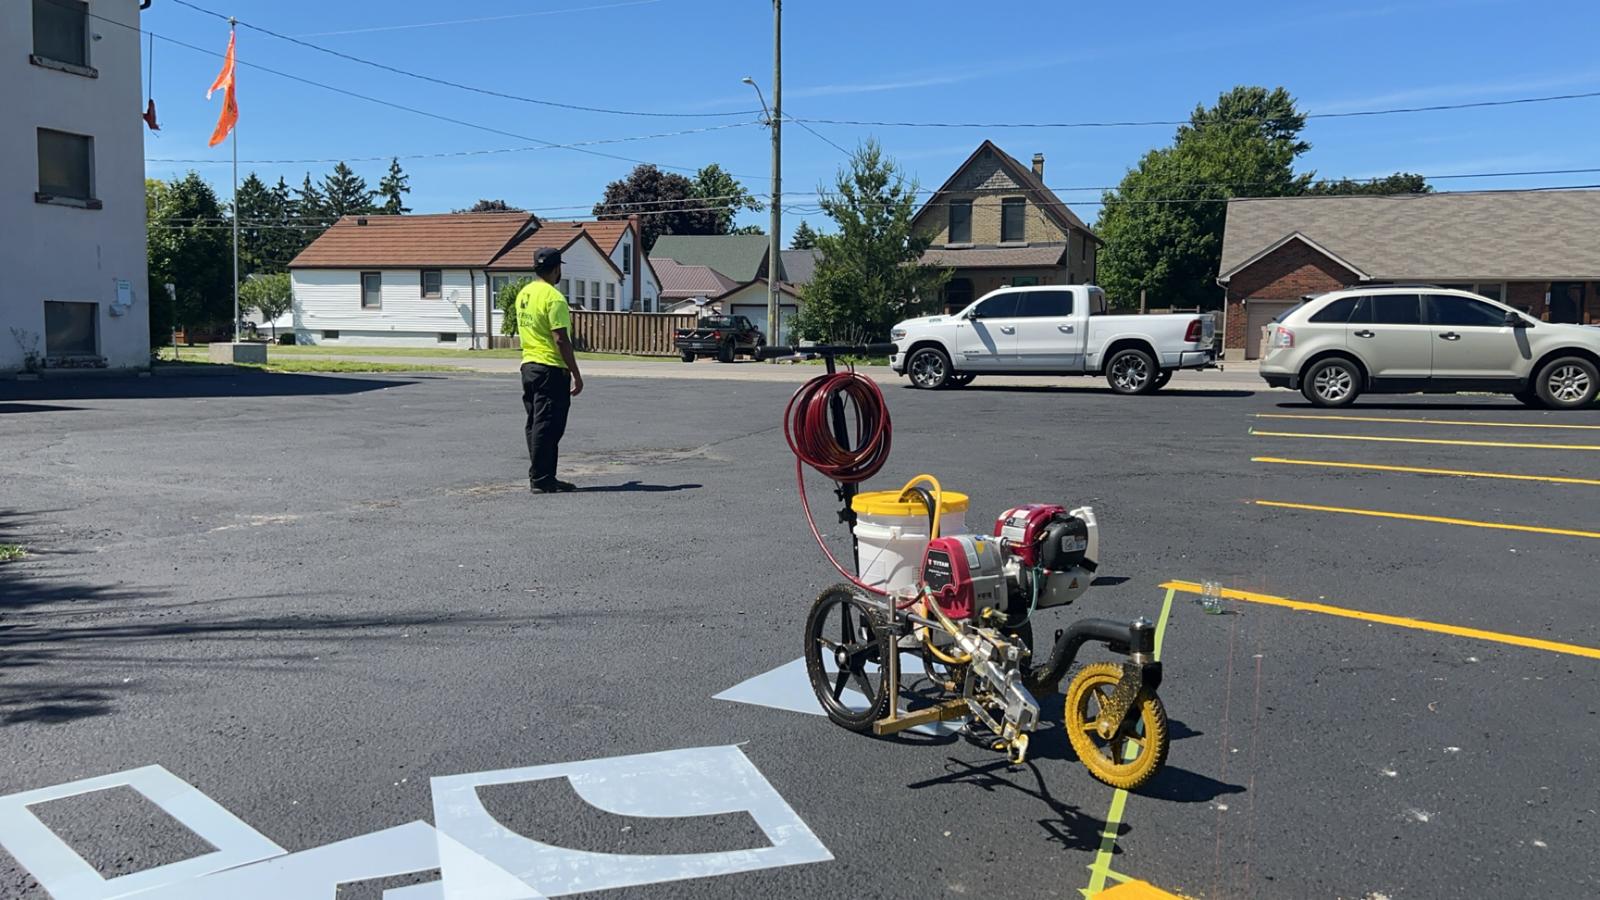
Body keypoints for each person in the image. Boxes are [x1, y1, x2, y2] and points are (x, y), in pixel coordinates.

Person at [516, 247, 584, 493]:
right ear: (557, 268)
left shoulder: (524, 294)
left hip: (529, 365)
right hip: (551, 368)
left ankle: (545, 475)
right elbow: (560, 339)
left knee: (535, 423)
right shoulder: (554, 298)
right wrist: (575, 372)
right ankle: (541, 478)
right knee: (550, 425)